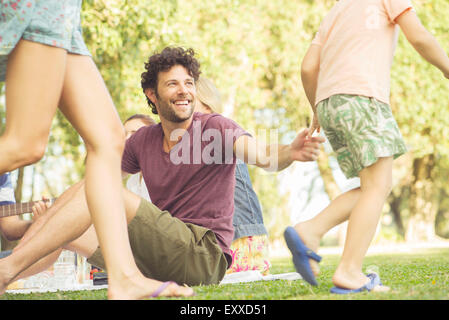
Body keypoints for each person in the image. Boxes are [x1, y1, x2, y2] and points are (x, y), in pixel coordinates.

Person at [0, 47, 325, 295]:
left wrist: (290, 152)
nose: (184, 90)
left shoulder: (214, 128)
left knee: (102, 191)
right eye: (172, 84)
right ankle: (9, 277)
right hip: (162, 258)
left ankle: (5, 270)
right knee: (73, 214)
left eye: (188, 83)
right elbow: (90, 185)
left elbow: (261, 154)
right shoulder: (143, 140)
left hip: (203, 254)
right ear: (152, 95)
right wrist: (52, 212)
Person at [0, 1, 187, 299]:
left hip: (64, 13)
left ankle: (124, 277)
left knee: (109, 140)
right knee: (25, 145)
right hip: (40, 6)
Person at [285, 0, 449, 294]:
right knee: (377, 187)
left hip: (330, 103)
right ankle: (349, 270)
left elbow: (308, 67)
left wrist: (317, 109)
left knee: (373, 185)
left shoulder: (337, 10)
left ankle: (311, 230)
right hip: (363, 97)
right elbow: (419, 35)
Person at [195, 77, 271, 275]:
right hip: (222, 239)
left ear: (207, 106)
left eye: (189, 103)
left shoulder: (215, 131)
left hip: (241, 237)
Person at [123, 114, 157, 203]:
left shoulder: (165, 174)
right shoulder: (132, 181)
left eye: (135, 134)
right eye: (124, 134)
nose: (127, 139)